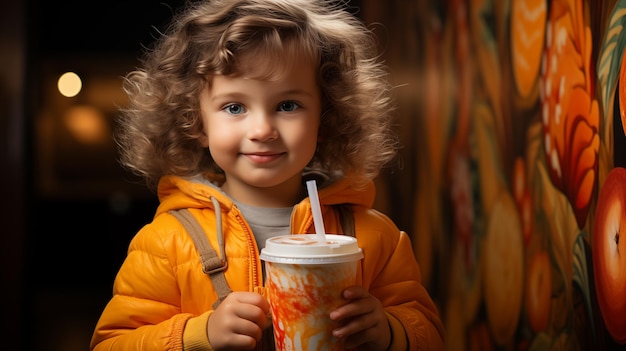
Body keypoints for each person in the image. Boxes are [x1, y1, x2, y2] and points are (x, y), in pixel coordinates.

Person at [90, 0, 445, 350]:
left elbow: (430, 334)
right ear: (196, 121)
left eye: (287, 106)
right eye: (234, 107)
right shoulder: (166, 243)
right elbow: (111, 343)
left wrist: (389, 332)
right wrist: (200, 335)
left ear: (327, 116)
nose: (262, 129)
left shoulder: (376, 237)